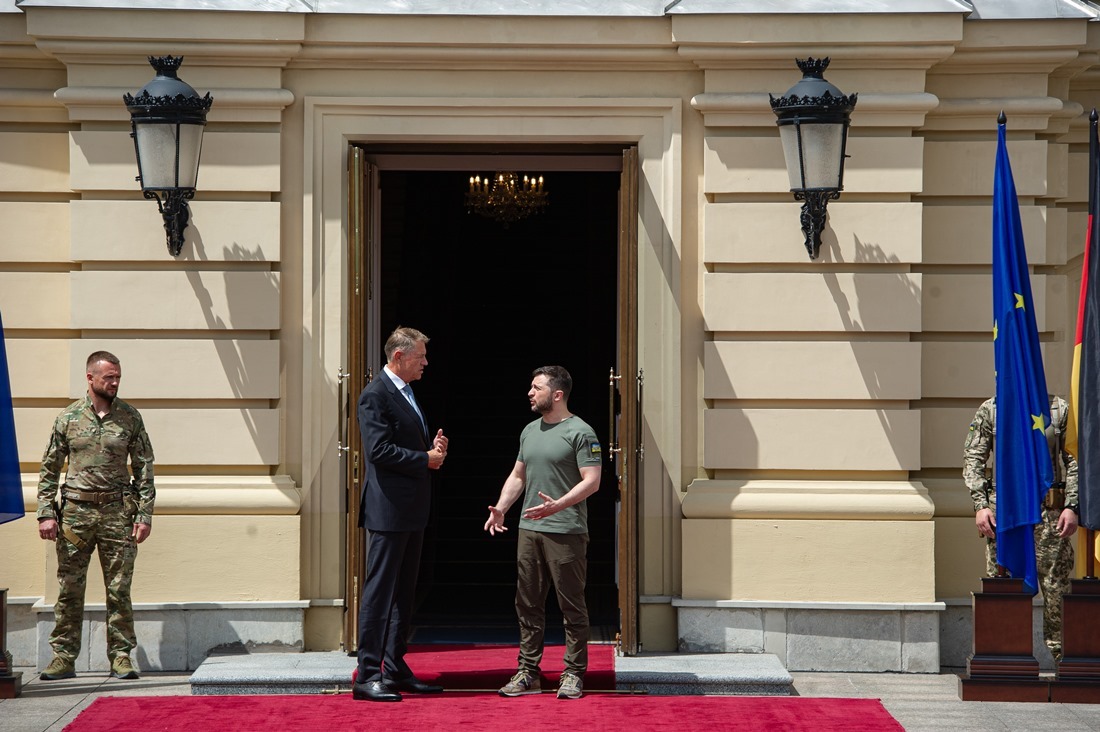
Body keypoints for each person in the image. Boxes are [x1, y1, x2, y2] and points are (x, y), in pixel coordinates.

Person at [36, 351, 155, 681]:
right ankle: (63, 656)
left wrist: (144, 515)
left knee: (119, 589)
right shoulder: (68, 417)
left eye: (118, 377)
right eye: (109, 377)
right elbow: (49, 468)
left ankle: (120, 656)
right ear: (90, 378)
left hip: (118, 514)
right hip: (75, 514)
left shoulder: (130, 418)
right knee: (70, 588)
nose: (115, 382)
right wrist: (46, 513)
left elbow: (144, 469)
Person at [485, 365, 602, 700]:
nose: (530, 392)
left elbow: (592, 482)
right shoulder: (529, 431)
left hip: (566, 531)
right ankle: (528, 672)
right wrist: (502, 507)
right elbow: (518, 476)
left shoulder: (581, 432)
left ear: (558, 394)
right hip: (529, 530)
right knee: (528, 603)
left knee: (571, 605)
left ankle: (573, 673)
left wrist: (558, 505)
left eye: (536, 387)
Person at [353, 326, 449, 702]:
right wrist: (424, 459)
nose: (425, 362)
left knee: (404, 594)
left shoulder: (406, 392)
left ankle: (394, 667)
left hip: (411, 509)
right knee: (380, 593)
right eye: (420, 356)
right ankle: (367, 674)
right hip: (388, 511)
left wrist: (432, 449)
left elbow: (403, 444)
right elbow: (378, 451)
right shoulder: (375, 395)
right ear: (398, 357)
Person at [962, 394, 1078, 661]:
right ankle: (1005, 657)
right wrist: (980, 505)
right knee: (1005, 587)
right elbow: (973, 459)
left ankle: (1064, 660)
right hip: (1005, 517)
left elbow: (1075, 461)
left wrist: (1072, 505)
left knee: (1056, 590)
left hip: (1050, 517)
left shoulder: (1058, 410)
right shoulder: (993, 409)